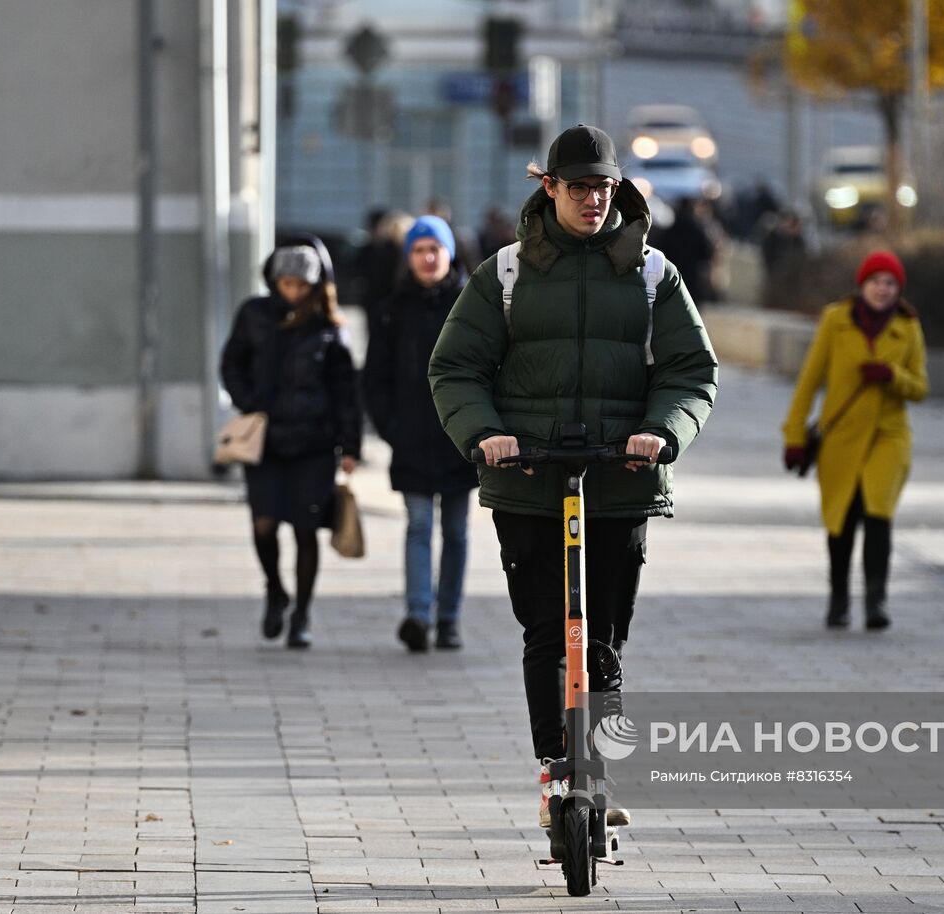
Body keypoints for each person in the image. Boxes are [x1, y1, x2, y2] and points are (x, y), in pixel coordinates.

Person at [428, 124, 718, 828]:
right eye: (580, 186)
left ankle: (597, 768)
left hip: (619, 479)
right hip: (529, 477)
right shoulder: (504, 272)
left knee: (605, 634)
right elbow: (456, 367)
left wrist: (662, 433)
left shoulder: (652, 273)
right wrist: (486, 434)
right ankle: (558, 771)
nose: (593, 200)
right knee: (547, 633)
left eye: (604, 187)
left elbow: (691, 372)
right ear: (549, 187)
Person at [220, 236, 363, 649]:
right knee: (263, 525)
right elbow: (231, 363)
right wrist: (250, 403)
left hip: (314, 444)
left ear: (315, 286)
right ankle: (275, 589)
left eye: (301, 285)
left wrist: (350, 446)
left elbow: (345, 391)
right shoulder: (254, 314)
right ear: (274, 280)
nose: (294, 291)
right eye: (286, 283)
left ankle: (301, 614)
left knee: (305, 530)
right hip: (264, 442)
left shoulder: (329, 327)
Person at [781, 250, 928, 631]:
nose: (882, 289)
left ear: (899, 289)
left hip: (888, 437)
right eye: (876, 281)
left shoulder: (908, 328)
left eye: (890, 283)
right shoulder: (836, 320)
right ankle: (839, 598)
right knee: (841, 520)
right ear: (862, 285)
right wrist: (795, 435)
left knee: (878, 513)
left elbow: (920, 388)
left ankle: (877, 602)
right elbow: (809, 381)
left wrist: (893, 375)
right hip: (840, 438)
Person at [363, 216, 477, 653]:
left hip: (459, 440)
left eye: (435, 248)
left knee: (456, 530)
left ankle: (448, 618)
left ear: (449, 253)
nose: (428, 258)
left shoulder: (471, 305)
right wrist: (391, 428)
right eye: (419, 249)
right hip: (410, 438)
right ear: (408, 257)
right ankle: (418, 614)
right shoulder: (392, 309)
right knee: (418, 525)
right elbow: (375, 376)